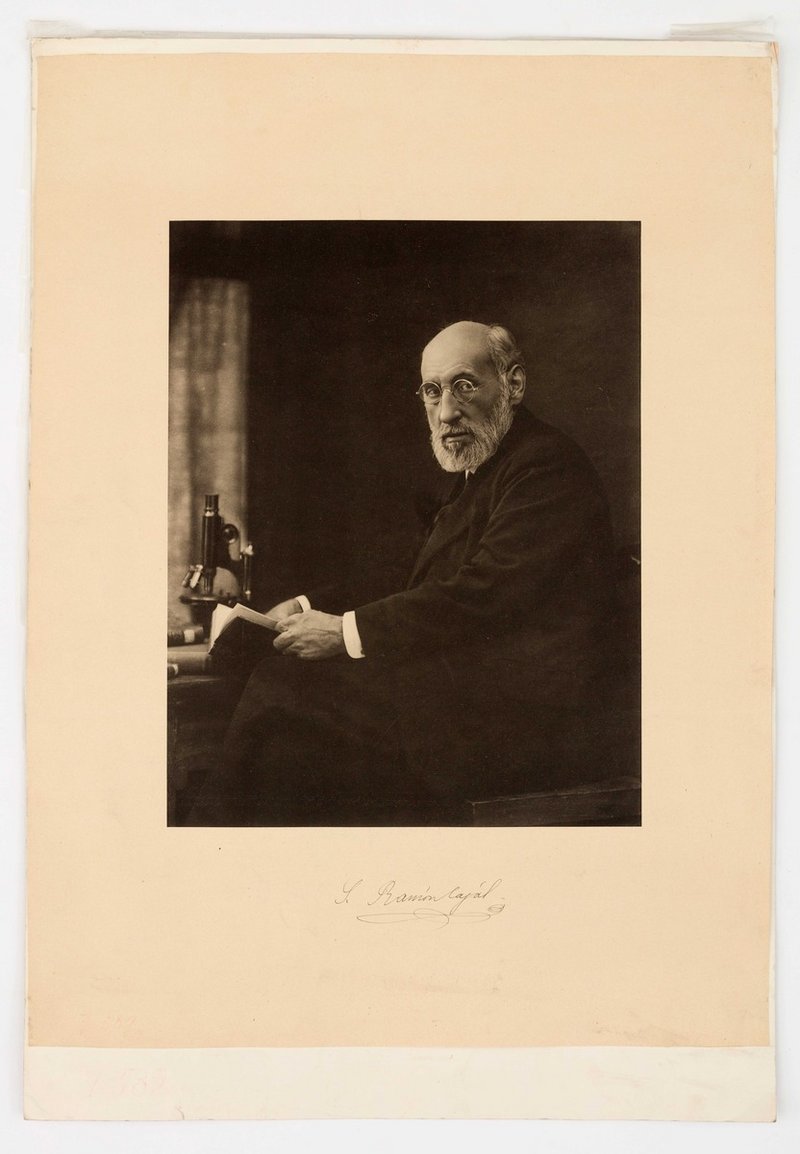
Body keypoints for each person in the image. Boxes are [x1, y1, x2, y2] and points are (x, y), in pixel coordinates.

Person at [188, 321, 630, 826]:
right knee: (280, 706)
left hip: (532, 726)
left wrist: (343, 632)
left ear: (513, 383)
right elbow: (414, 573)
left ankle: (208, 845)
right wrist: (307, 606)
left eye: (464, 386)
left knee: (284, 690)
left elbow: (481, 593)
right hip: (475, 702)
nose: (446, 412)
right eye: (432, 391)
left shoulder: (546, 467)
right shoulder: (486, 468)